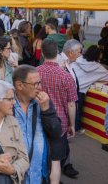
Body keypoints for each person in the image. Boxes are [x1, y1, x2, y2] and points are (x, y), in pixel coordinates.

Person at [12, 65, 62, 183]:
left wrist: (47, 111)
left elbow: (56, 133)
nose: (39, 88)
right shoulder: (7, 103)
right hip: (15, 174)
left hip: (39, 174)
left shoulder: (43, 103)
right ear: (19, 85)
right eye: (35, 84)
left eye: (40, 83)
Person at [38, 38, 78, 179]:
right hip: (60, 123)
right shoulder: (66, 77)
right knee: (56, 160)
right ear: (57, 53)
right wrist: (72, 124)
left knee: (40, 155)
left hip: (39, 120)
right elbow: (71, 104)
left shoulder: (35, 73)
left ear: (43, 53)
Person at [72, 45, 108, 130]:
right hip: (79, 90)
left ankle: (70, 128)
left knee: (70, 109)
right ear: (98, 55)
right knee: (77, 110)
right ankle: (76, 129)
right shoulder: (98, 67)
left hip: (71, 85)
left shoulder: (78, 60)